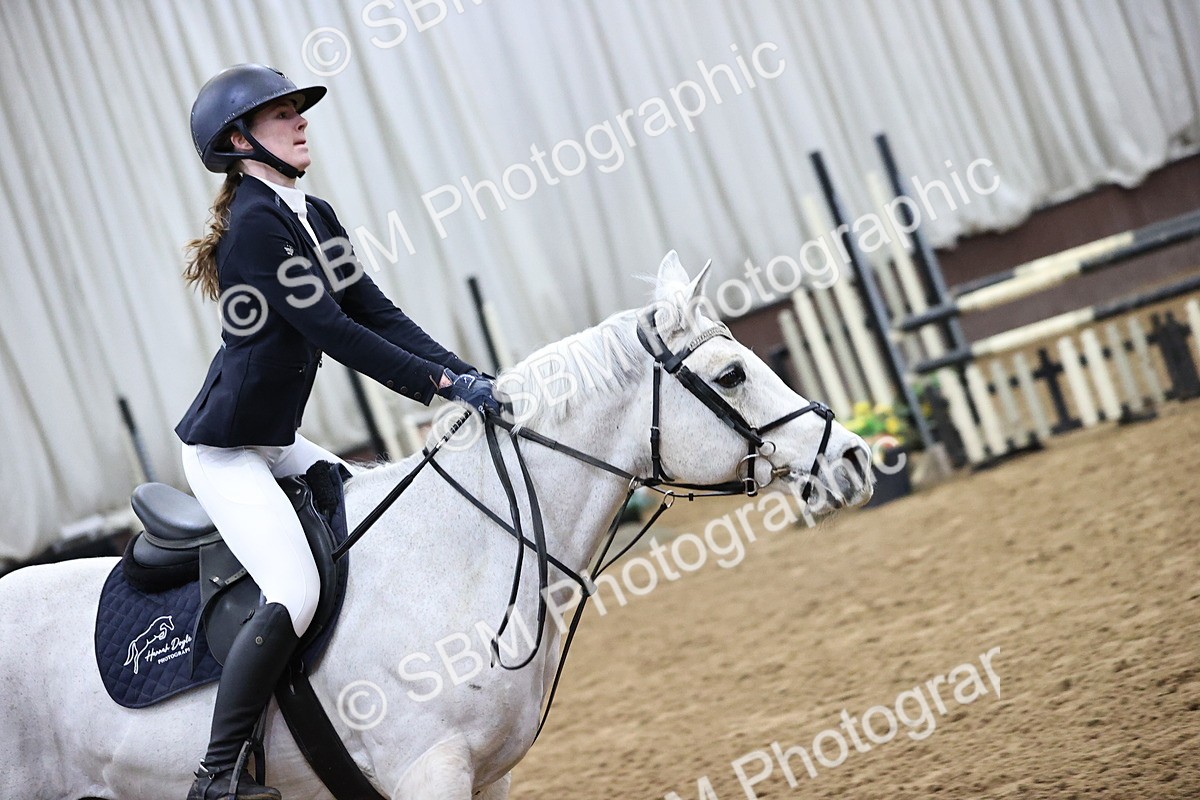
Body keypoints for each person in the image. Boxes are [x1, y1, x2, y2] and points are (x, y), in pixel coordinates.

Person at [175, 63, 499, 800]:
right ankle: (217, 774)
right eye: (281, 113)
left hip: (279, 441)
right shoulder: (255, 229)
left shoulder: (314, 214)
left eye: (298, 110)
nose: (301, 120)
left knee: (369, 534)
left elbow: (375, 310)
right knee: (295, 588)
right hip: (227, 453)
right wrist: (443, 389)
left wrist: (470, 373)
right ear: (237, 140)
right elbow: (334, 330)